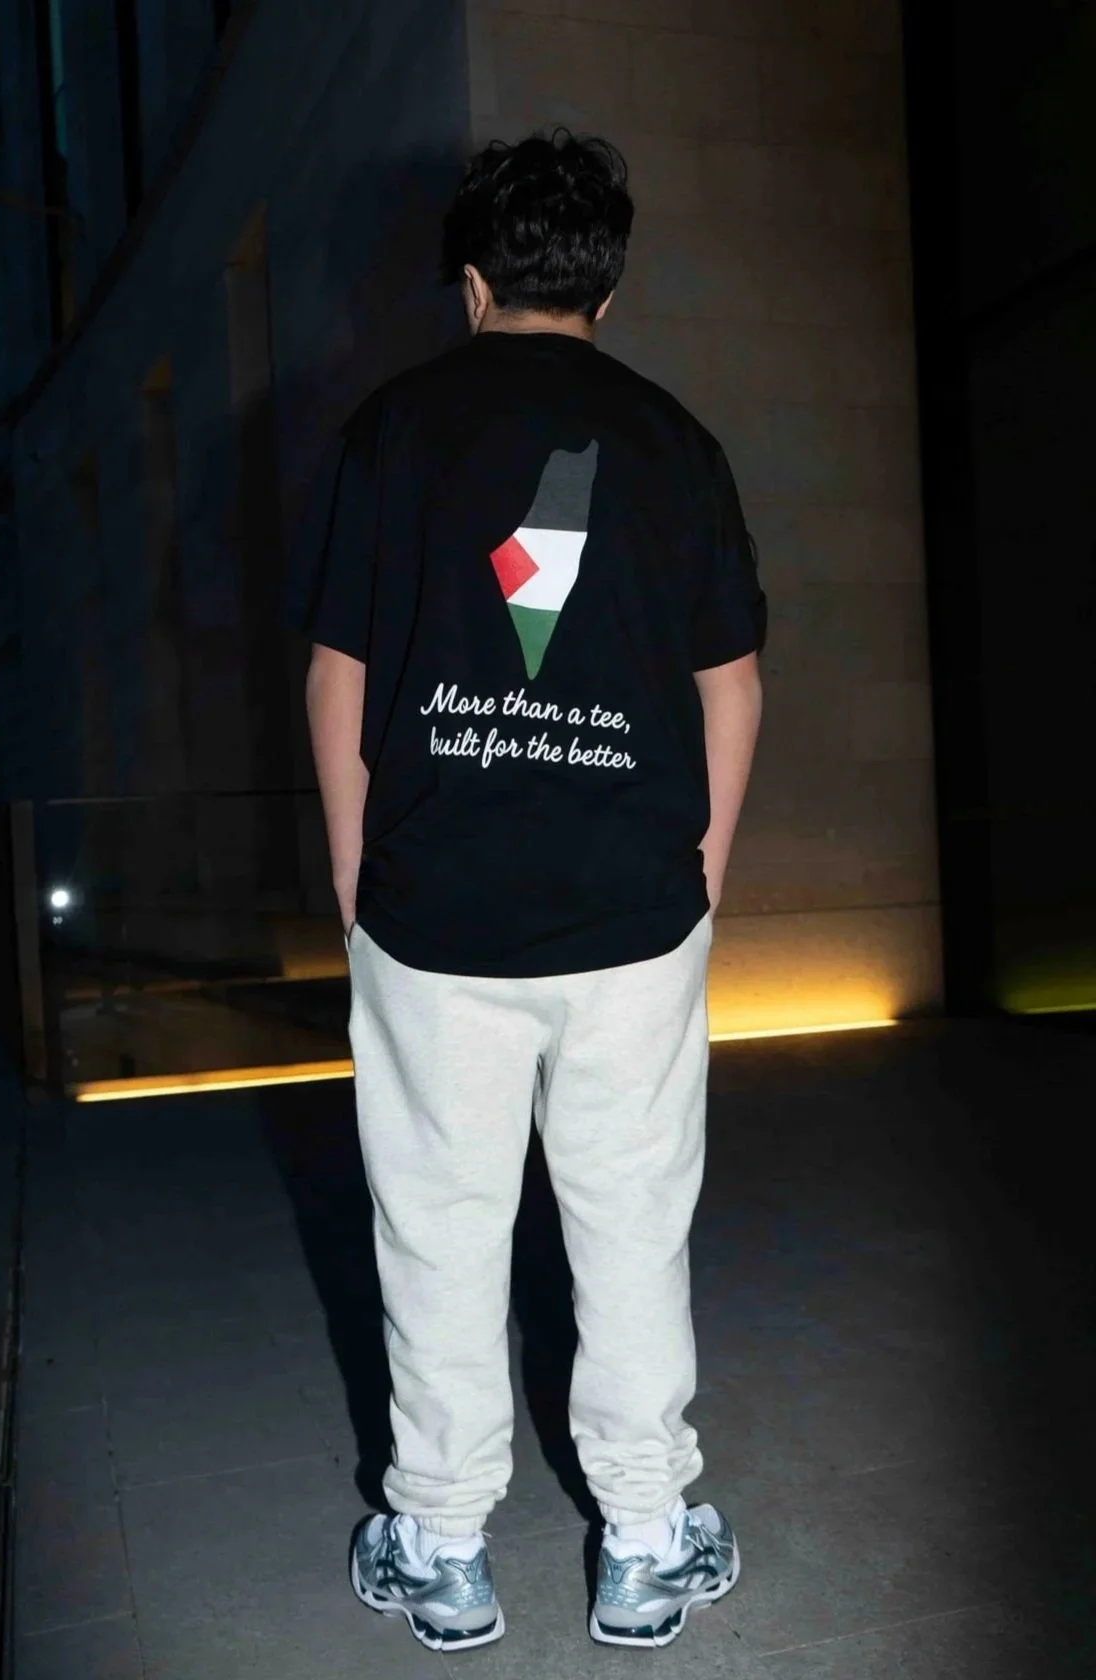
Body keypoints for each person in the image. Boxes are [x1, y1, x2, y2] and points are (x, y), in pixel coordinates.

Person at [297, 129, 766, 1654]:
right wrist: (705, 867)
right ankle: (642, 1539)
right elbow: (732, 679)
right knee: (631, 1223)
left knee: (435, 1225)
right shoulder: (677, 442)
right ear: (608, 292)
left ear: (474, 279)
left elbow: (340, 673)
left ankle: (440, 1543)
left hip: (433, 906)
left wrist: (357, 872)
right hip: (634, 909)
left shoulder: (393, 430)